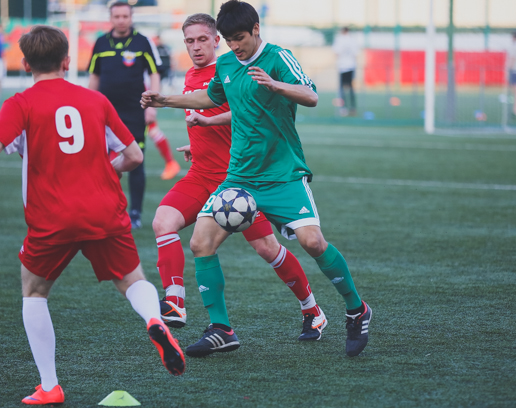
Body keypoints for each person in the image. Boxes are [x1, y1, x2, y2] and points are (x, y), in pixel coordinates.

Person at [0, 25, 185, 405]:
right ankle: (153, 319)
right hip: (104, 209)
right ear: (67, 62)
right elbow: (134, 156)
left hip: (53, 216)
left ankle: (50, 386)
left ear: (25, 64)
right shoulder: (95, 100)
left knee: (34, 291)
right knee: (132, 280)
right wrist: (107, 169)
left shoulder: (20, 103)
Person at [141, 0, 372, 358]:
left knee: (313, 243)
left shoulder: (279, 58)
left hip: (283, 174)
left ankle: (356, 309)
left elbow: (310, 95)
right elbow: (211, 97)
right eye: (229, 40)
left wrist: (276, 85)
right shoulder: (227, 65)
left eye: (239, 38)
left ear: (256, 30)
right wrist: (165, 100)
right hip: (239, 177)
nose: (234, 46)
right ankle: (221, 328)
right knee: (201, 242)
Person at [88, 1, 180, 229]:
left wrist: (151, 105)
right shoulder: (100, 43)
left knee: (136, 161)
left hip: (134, 112)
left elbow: (154, 73)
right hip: (105, 113)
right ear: (111, 18)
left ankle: (135, 214)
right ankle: (104, 210)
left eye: (125, 16)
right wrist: (88, 106)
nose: (121, 20)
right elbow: (94, 77)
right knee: (101, 162)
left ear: (131, 18)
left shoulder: (142, 42)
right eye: (117, 16)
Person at [332, 26, 359, 116]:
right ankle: (353, 108)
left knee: (342, 88)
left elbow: (336, 53)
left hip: (342, 66)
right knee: (351, 87)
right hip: (351, 66)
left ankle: (343, 108)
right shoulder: (352, 40)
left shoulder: (339, 39)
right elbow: (356, 54)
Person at [507, 31, 516, 117]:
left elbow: (513, 58)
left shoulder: (513, 46)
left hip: (514, 71)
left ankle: (515, 110)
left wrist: (508, 69)